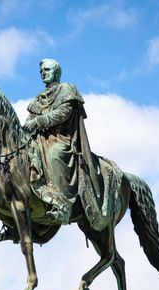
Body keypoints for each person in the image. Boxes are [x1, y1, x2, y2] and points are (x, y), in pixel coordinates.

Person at [22, 58, 100, 224]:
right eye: (41, 71)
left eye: (47, 70)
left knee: (55, 155)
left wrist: (37, 122)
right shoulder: (38, 99)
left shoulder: (66, 89)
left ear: (56, 72)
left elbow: (63, 112)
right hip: (38, 140)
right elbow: (29, 119)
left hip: (60, 138)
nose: (43, 73)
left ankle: (62, 206)